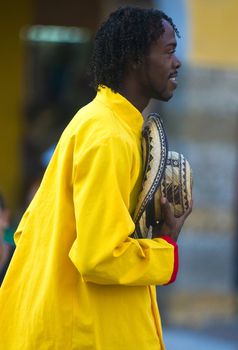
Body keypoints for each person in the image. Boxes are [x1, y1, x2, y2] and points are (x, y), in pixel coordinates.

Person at [0, 6, 192, 350]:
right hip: (80, 335)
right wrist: (164, 248)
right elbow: (98, 256)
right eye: (168, 51)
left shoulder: (104, 123)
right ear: (135, 58)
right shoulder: (108, 136)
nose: (176, 62)